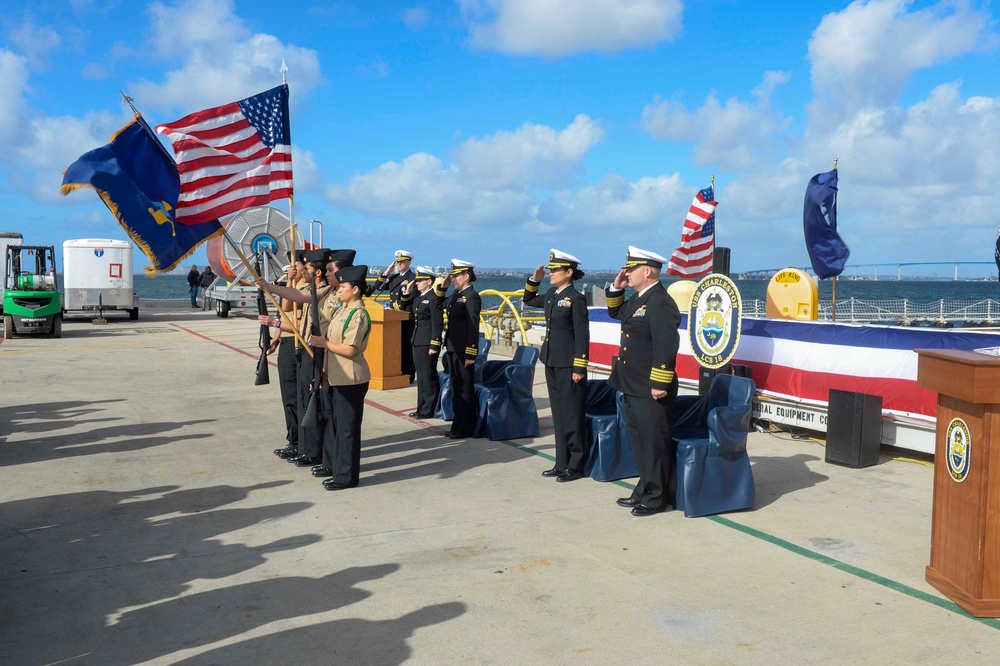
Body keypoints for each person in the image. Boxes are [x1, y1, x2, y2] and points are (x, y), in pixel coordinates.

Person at [605, 246, 680, 517]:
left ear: (647, 271)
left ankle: (656, 498)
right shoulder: (640, 298)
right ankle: (645, 488)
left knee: (654, 443)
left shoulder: (660, 301)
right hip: (632, 383)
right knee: (640, 442)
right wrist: (617, 287)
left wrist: (659, 382)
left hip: (651, 387)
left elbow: (667, 346)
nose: (627, 272)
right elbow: (617, 313)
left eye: (632, 268)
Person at [523, 249, 590, 482]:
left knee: (572, 417)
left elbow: (582, 335)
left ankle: (576, 464)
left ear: (569, 272)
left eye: (555, 270)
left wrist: (579, 368)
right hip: (551, 360)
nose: (551, 273)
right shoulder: (552, 294)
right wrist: (535, 281)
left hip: (569, 365)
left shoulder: (576, 298)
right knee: (559, 416)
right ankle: (561, 463)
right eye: (550, 270)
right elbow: (529, 300)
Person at [310, 264, 372, 490]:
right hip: (335, 376)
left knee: (347, 430)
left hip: (351, 379)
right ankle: (336, 468)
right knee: (335, 426)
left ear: (355, 289)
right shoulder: (342, 311)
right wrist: (323, 371)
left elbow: (351, 349)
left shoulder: (357, 314)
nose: (339, 290)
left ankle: (346, 477)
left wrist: (324, 343)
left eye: (343, 286)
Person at [443, 259, 482, 439]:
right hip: (452, 348)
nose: (454, 279)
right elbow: (438, 305)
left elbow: (473, 326)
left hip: (463, 350)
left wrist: (471, 352)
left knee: (465, 389)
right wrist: (442, 288)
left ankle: (466, 427)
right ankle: (457, 425)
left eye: (456, 275)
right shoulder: (455, 295)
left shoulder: (472, 296)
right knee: (456, 387)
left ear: (466, 276)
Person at [404, 266, 446, 419]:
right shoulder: (419, 297)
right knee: (420, 377)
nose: (417, 283)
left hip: (427, 342)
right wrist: (407, 292)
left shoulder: (434, 298)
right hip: (417, 339)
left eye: (420, 281)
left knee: (428, 376)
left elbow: (437, 322)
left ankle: (428, 409)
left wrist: (435, 344)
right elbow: (405, 307)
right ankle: (421, 407)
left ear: (429, 281)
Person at [374, 250, 416, 382]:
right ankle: (396, 371)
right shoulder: (394, 277)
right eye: (397, 262)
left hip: (406, 317)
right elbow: (378, 287)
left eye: (401, 262)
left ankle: (408, 374)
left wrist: (397, 309)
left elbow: (412, 299)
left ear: (408, 262)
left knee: (406, 347)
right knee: (394, 346)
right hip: (393, 318)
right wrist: (387, 272)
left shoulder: (413, 278)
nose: (398, 264)